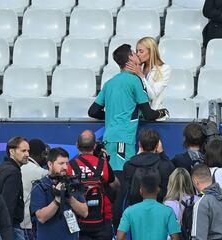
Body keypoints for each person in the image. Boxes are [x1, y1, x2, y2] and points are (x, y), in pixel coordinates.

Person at [88, 43, 169, 230]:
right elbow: (148, 113)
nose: (136, 55)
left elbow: (93, 111)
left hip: (109, 139)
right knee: (121, 187)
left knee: (111, 185)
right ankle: (116, 229)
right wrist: (162, 112)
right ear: (130, 59)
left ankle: (110, 226)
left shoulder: (110, 83)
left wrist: (111, 117)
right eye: (134, 53)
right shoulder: (134, 81)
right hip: (123, 141)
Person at [67, 130, 120, 240]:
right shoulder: (103, 164)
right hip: (103, 220)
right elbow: (116, 185)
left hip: (78, 220)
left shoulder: (70, 166)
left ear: (77, 145)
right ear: (95, 146)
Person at [30, 147, 88, 240]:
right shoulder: (40, 186)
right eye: (61, 163)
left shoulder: (72, 183)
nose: (65, 167)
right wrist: (57, 200)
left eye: (67, 163)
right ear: (50, 164)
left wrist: (70, 199)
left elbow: (85, 212)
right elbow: (41, 217)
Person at [116, 172, 181, 240]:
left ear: (141, 191)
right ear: (158, 190)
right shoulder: (168, 211)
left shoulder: (129, 211)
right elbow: (175, 237)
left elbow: (120, 237)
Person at [0, 136, 30, 240]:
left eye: (28, 151)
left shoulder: (1, 167)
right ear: (12, 151)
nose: (27, 154)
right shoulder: (13, 172)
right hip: (9, 228)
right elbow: (8, 205)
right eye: (23, 151)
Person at [123, 129, 175, 205]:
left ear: (140, 144)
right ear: (157, 145)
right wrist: (162, 153)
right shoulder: (165, 166)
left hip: (134, 211)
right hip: (158, 210)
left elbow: (128, 192)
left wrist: (137, 156)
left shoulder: (128, 165)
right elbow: (172, 170)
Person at [126, 37, 171, 110]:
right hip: (138, 114)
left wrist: (140, 75)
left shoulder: (164, 69)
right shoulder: (139, 67)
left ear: (151, 52)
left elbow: (152, 96)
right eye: (137, 51)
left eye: (141, 51)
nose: (137, 54)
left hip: (155, 116)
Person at [20, 139, 49, 239]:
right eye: (45, 154)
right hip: (29, 223)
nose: (46, 158)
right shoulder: (40, 172)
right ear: (40, 155)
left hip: (17, 221)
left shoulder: (19, 166)